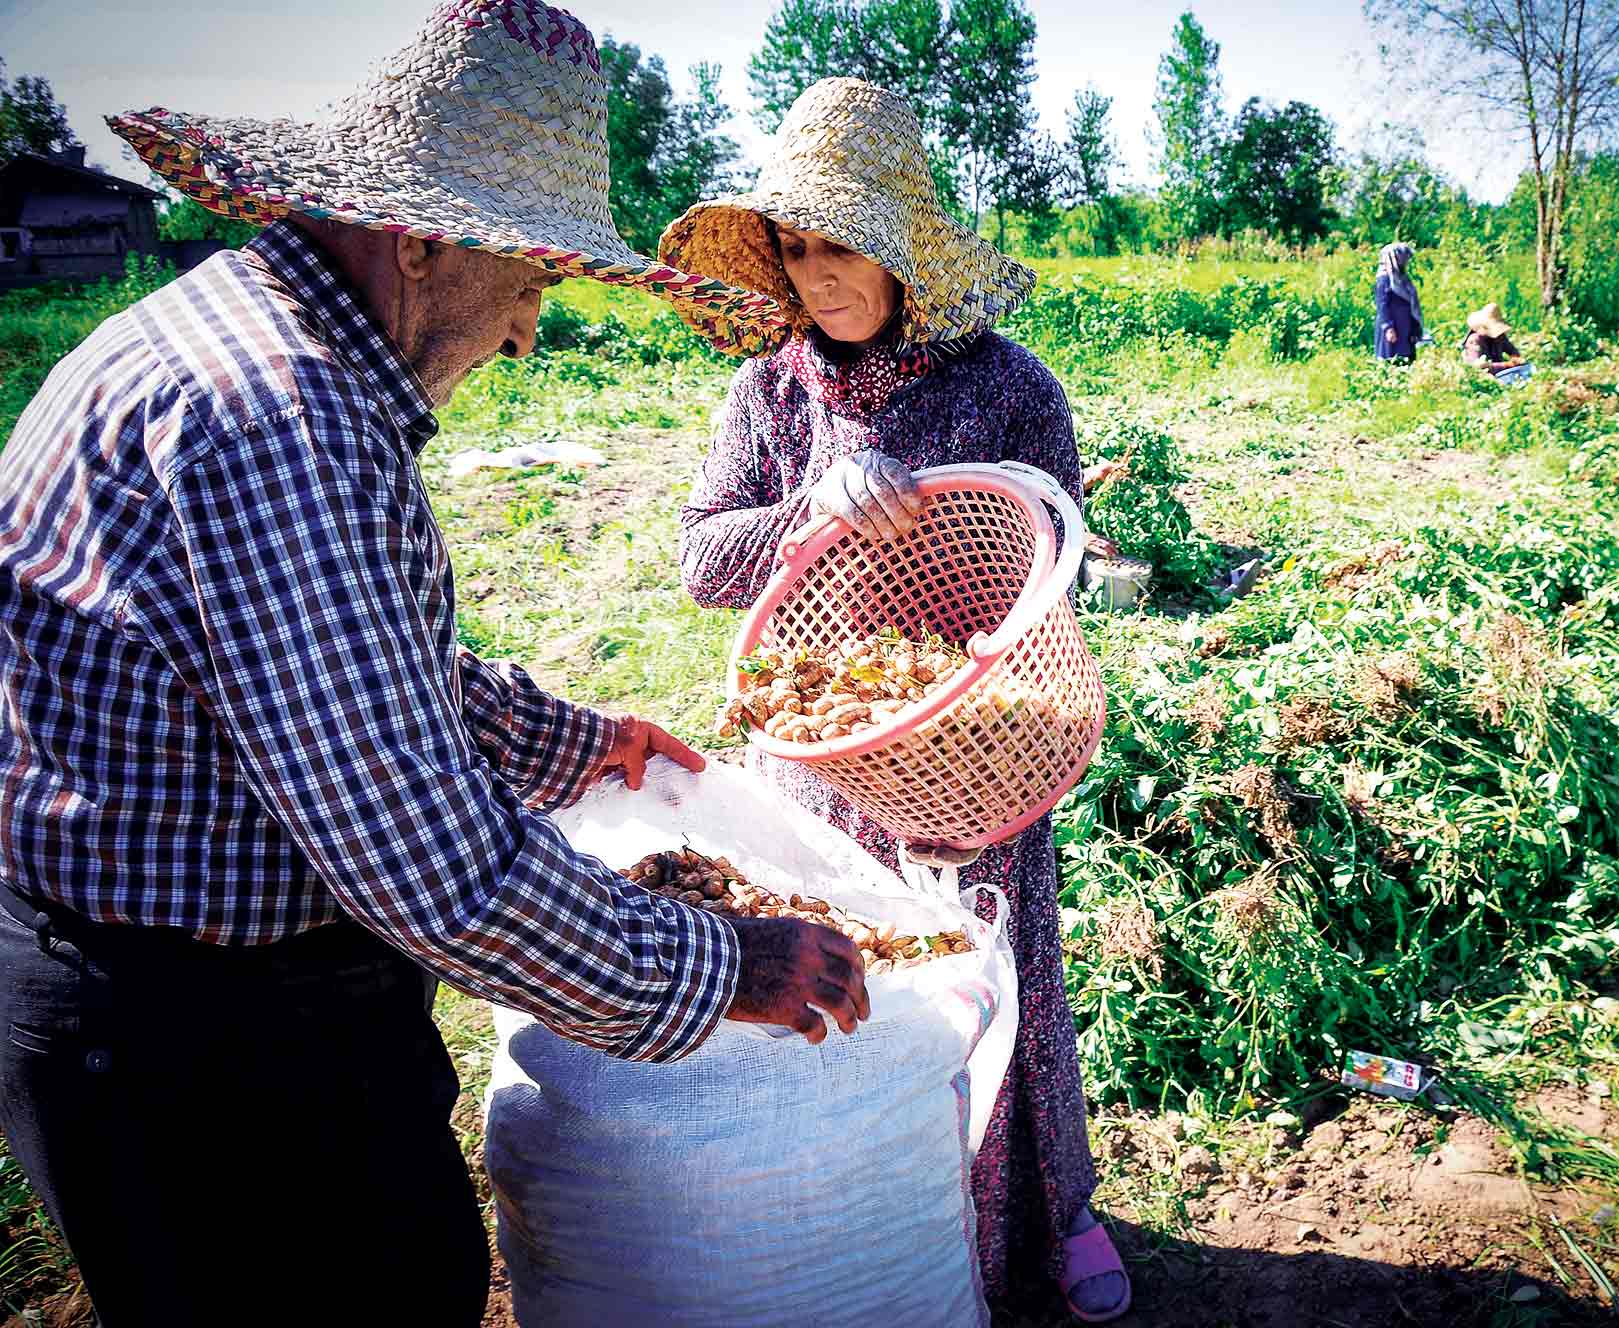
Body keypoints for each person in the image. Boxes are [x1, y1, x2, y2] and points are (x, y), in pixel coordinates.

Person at [0, 6, 866, 1324]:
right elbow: (425, 861)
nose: (526, 332)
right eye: (528, 281)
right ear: (417, 240)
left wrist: (570, 739)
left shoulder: (240, 350)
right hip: (193, 1034)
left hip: (178, 1001)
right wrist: (731, 967)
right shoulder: (281, 421)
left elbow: (316, 668)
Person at [662, 77, 1133, 1324]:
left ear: (905, 250)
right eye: (798, 250)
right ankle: (886, 1229)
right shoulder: (768, 396)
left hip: (971, 736)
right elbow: (700, 557)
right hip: (819, 752)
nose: (818, 278)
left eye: (843, 247)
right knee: (861, 985)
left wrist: (934, 529)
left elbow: (1048, 555)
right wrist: (801, 512)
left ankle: (1053, 1213)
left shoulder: (1007, 386)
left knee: (1003, 971)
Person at [1374, 241, 1424, 363]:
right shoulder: (1384, 279)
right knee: (1391, 360)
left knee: (1407, 360)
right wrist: (1388, 328)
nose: (1406, 261)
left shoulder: (1403, 278)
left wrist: (1415, 327)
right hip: (1394, 326)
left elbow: (1412, 303)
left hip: (1405, 325)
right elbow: (1382, 305)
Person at [1461, 302, 1523, 370]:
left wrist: (1515, 358)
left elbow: (1511, 349)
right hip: (1483, 376)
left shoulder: (1500, 336)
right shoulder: (1474, 340)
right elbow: (1477, 366)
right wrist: (1506, 365)